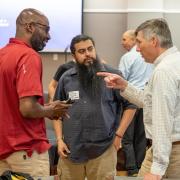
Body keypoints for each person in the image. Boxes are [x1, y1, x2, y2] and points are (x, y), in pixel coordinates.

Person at [97, 18, 180, 179]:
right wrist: (124, 86)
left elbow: (162, 120)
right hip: (168, 149)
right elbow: (149, 101)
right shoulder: (174, 61)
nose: (137, 48)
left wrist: (157, 169)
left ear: (154, 41)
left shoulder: (164, 71)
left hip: (170, 152)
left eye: (139, 42)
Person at [53, 34, 137, 180]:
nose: (88, 54)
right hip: (71, 149)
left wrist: (119, 136)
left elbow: (131, 105)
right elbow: (56, 112)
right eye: (82, 51)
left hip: (104, 150)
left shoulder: (113, 76)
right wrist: (59, 140)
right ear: (74, 55)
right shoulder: (66, 78)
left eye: (90, 49)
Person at [0, 8, 70, 176]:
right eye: (46, 29)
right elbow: (27, 108)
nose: (49, 36)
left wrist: (45, 108)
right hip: (26, 152)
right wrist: (51, 110)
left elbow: (10, 104)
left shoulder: (2, 54)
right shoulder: (28, 56)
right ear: (30, 27)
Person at [118, 30, 153, 176]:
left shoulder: (127, 57)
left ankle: (131, 169)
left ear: (133, 40)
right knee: (141, 138)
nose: (122, 42)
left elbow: (121, 78)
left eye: (124, 39)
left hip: (130, 100)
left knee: (127, 138)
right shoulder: (149, 59)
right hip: (145, 100)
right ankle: (140, 167)